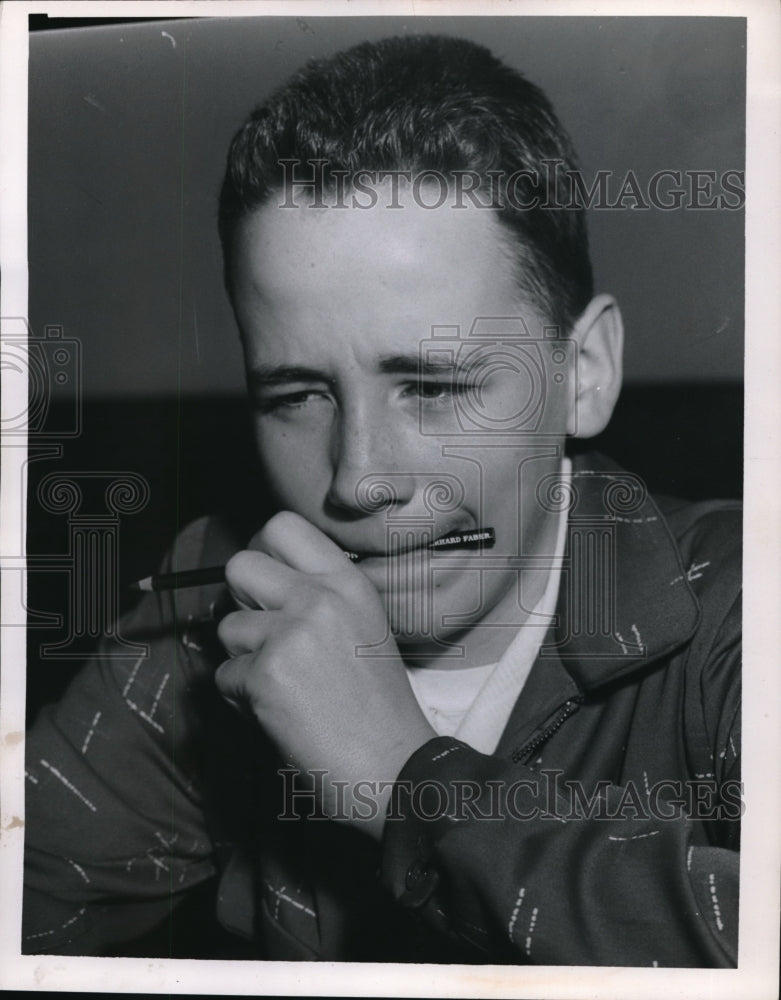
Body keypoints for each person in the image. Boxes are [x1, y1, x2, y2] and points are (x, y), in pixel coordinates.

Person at [23, 34, 741, 966]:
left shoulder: (736, 614)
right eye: (294, 397)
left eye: (433, 386)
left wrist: (404, 783)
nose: (358, 478)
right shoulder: (212, 602)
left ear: (583, 373)